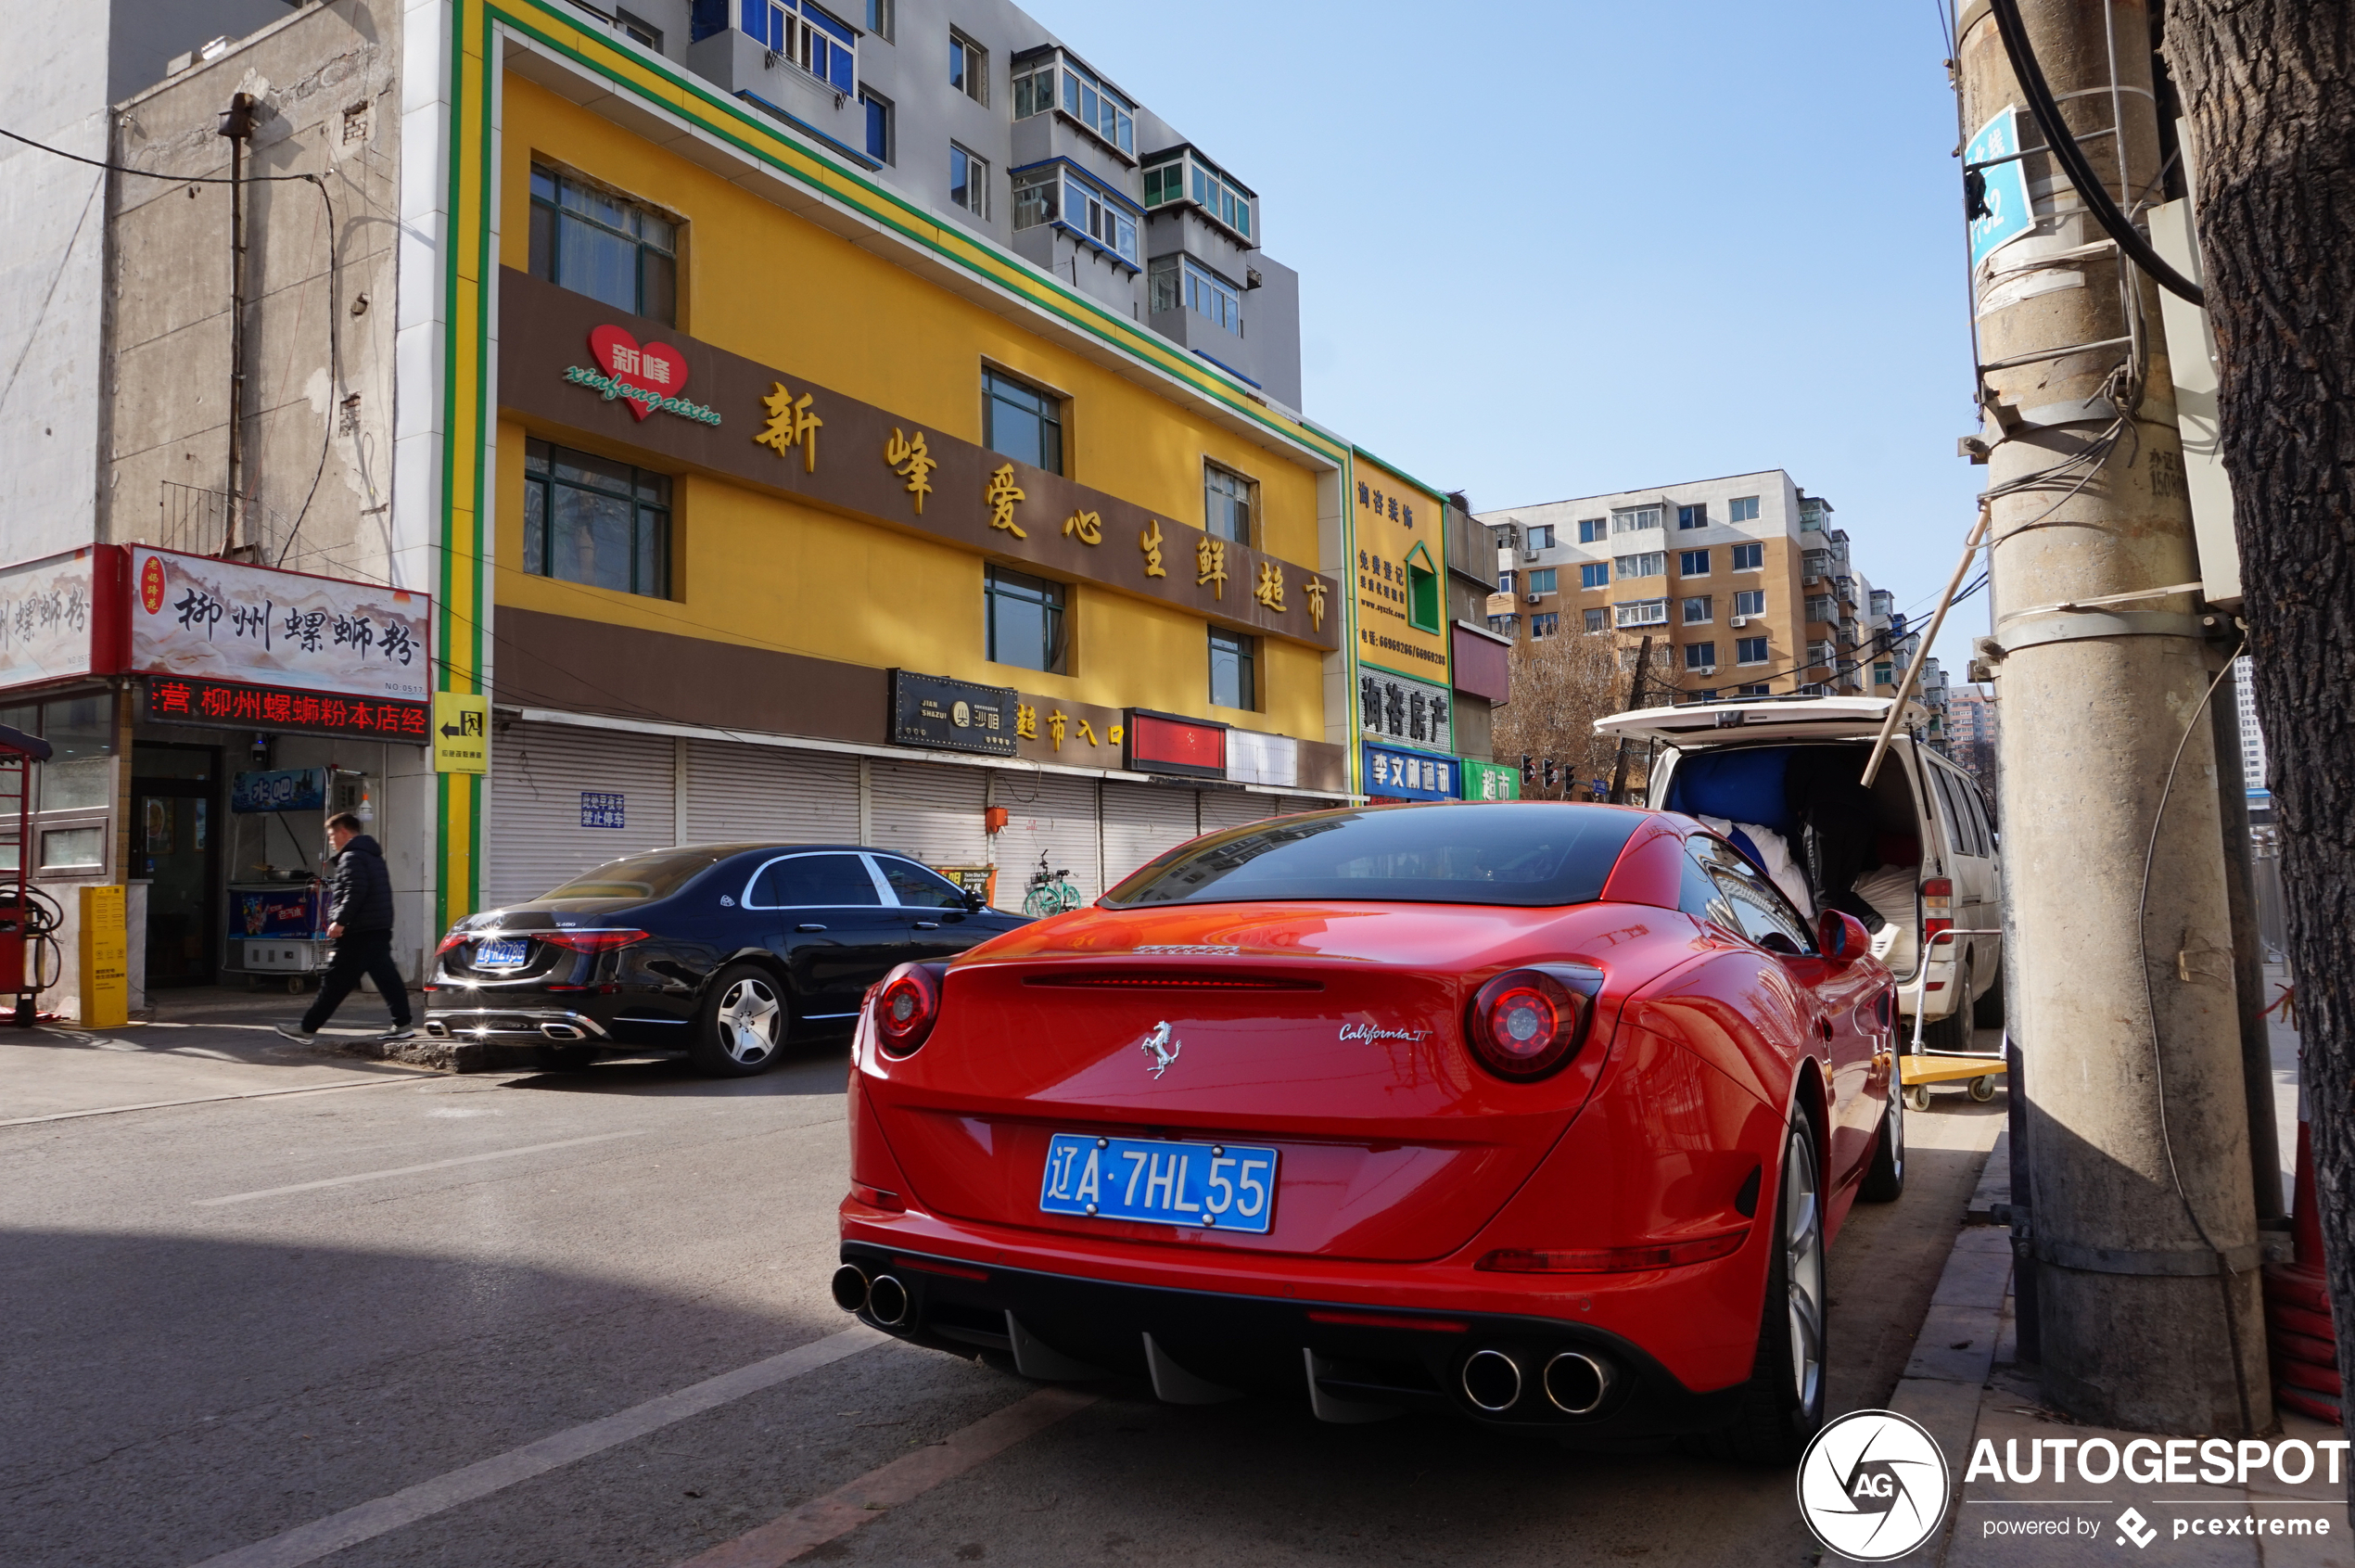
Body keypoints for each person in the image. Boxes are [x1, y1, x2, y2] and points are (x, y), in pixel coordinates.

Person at [277, 812, 414, 1042]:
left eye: (331, 835)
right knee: (386, 977)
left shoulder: (352, 857)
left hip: (359, 931)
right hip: (376, 927)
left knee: (335, 981)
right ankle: (403, 1024)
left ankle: (307, 1029)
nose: (330, 840)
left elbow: (355, 892)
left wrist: (340, 921)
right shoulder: (372, 856)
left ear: (343, 832)